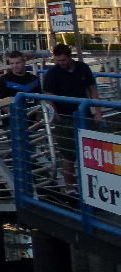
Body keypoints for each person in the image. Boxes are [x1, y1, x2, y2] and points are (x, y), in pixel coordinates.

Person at [41, 43, 102, 192]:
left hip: (84, 115)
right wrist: (55, 115)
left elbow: (92, 90)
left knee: (91, 152)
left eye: (63, 60)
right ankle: (70, 188)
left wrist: (98, 112)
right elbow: (49, 96)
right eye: (58, 60)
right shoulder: (53, 73)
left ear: (69, 57)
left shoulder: (83, 68)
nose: (61, 63)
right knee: (68, 155)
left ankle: (92, 188)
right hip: (65, 117)